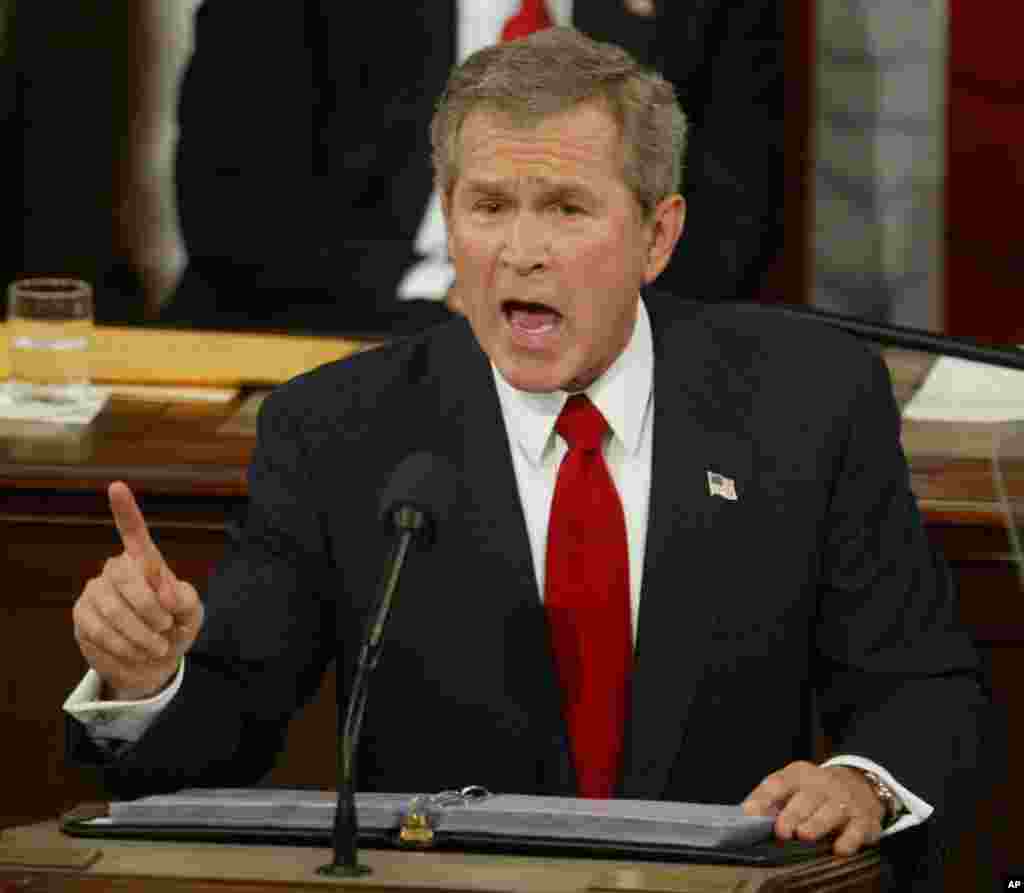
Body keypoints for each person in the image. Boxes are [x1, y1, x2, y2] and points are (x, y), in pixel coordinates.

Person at [67, 27, 983, 885]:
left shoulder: (808, 403)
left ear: (657, 236)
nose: (520, 252)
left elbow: (924, 688)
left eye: (566, 208)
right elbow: (220, 736)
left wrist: (863, 780)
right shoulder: (340, 429)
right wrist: (146, 680)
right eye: (490, 206)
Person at [157, 0, 782, 332]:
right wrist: (451, 296)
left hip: (598, 347)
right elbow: (231, 211)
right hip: (338, 325)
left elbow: (731, 222)